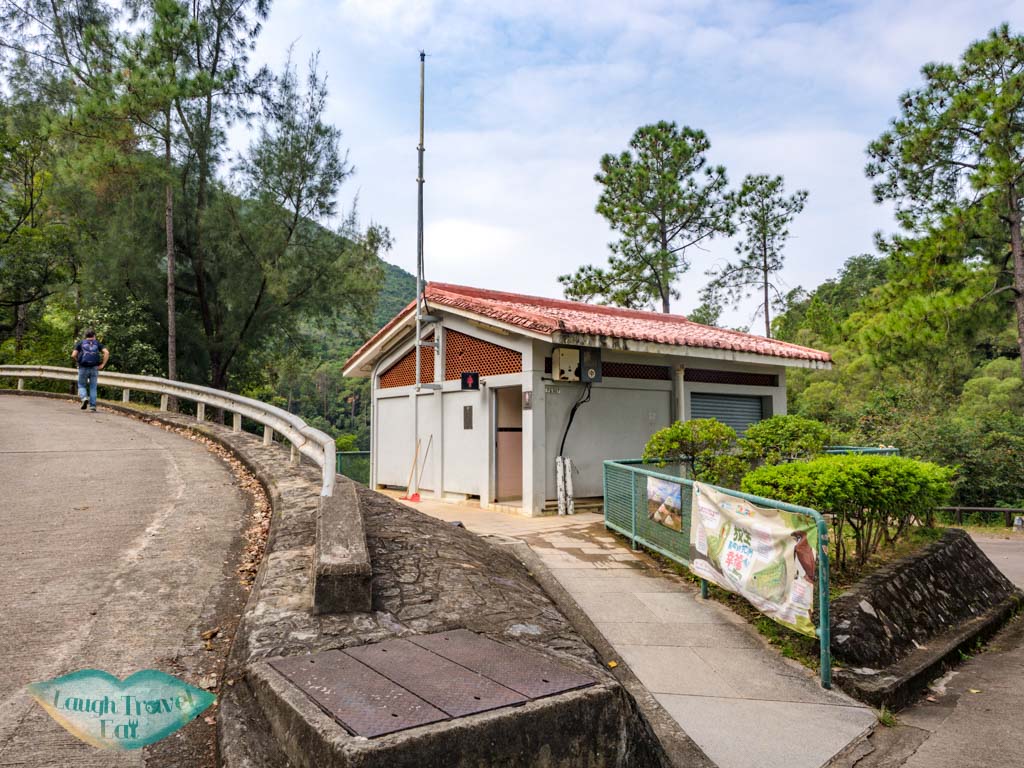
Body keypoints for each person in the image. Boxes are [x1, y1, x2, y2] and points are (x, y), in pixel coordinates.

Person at [72, 329, 109, 412]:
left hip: (83, 367)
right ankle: (92, 406)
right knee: (93, 387)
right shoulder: (97, 343)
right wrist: (102, 364)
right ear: (94, 336)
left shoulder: (81, 343)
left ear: (86, 336)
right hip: (94, 368)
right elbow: (106, 352)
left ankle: (84, 398)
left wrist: (78, 361)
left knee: (81, 385)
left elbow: (73, 355)